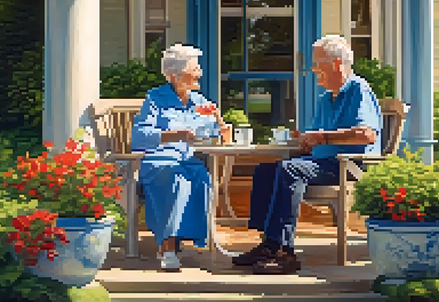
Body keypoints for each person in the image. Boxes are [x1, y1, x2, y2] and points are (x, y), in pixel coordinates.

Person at [232, 35, 382, 274]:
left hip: (346, 165)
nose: (313, 70)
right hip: (321, 161)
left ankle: (285, 252)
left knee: (290, 169)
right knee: (265, 170)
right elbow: (320, 138)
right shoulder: (326, 98)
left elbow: (367, 135)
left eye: (316, 64)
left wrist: (323, 137)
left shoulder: (358, 89)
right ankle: (269, 244)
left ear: (334, 63)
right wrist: (306, 140)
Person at [131, 44, 230, 272]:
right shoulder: (155, 99)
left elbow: (215, 136)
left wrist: (219, 120)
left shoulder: (199, 101)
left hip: (188, 160)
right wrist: (177, 135)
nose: (199, 73)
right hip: (159, 160)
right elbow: (140, 136)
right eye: (194, 68)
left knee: (200, 177)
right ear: (175, 75)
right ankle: (168, 247)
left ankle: (180, 240)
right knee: (176, 179)